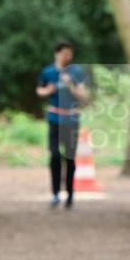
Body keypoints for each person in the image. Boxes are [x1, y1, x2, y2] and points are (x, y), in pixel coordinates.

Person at [36, 41, 89, 209]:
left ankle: (71, 194)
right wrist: (49, 90)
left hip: (71, 120)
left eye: (70, 54)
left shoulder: (76, 72)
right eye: (65, 53)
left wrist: (71, 86)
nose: (68, 57)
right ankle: (55, 193)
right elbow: (40, 90)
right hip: (54, 118)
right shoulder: (48, 72)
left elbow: (83, 95)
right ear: (56, 54)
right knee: (54, 156)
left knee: (70, 158)